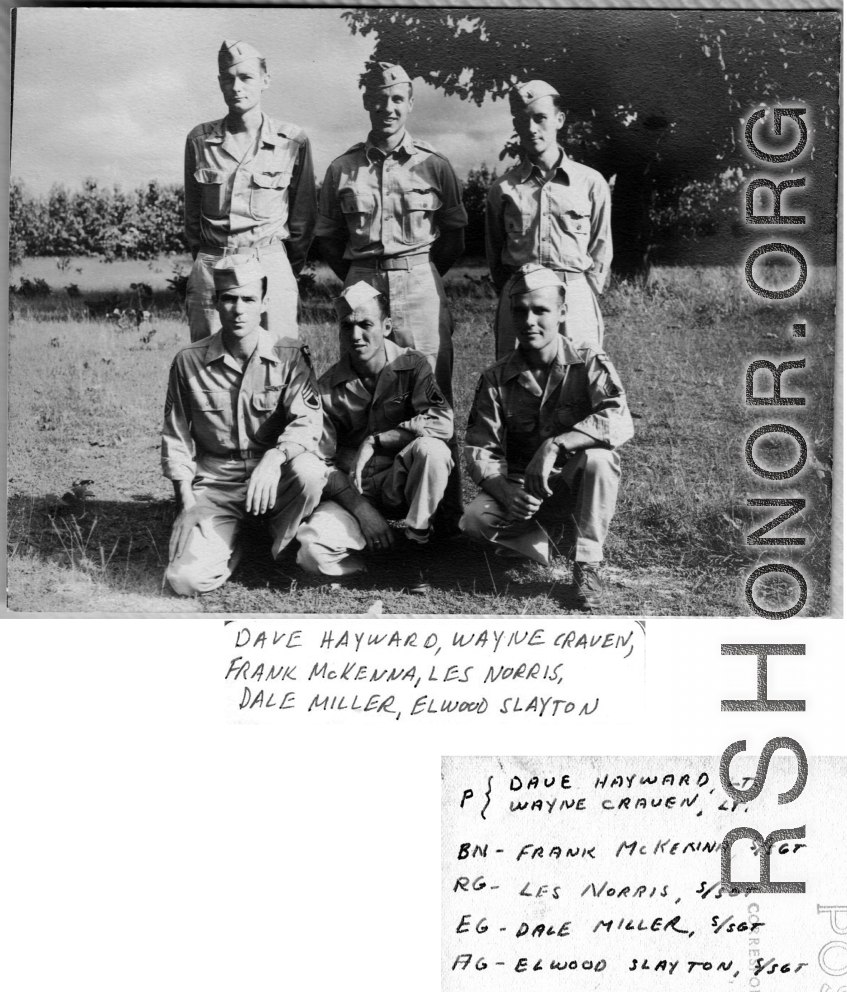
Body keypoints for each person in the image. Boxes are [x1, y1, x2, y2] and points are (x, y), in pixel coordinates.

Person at [315, 61, 467, 531]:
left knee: (431, 394)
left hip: (419, 279)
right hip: (362, 277)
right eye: (378, 98)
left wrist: (418, 275)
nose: (387, 107)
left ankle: (443, 518)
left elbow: (456, 235)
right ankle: (359, 498)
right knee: (360, 387)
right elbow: (326, 236)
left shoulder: (435, 165)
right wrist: (361, 276)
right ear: (366, 101)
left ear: (409, 103)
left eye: (397, 98)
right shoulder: (342, 167)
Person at [460, 265, 633, 610]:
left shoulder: (588, 360)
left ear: (562, 313)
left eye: (541, 310)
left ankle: (587, 565)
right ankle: (553, 543)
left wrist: (555, 445)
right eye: (520, 311)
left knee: (600, 459)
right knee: (474, 520)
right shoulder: (496, 378)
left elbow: (619, 419)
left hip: (571, 485)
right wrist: (505, 492)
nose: (529, 321)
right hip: (524, 492)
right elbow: (481, 449)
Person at [162, 256, 326, 596]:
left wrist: (275, 457)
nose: (238, 309)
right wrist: (186, 502)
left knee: (310, 471)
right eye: (228, 298)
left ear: (264, 303)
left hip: (274, 479)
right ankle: (238, 540)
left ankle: (277, 548)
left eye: (248, 299)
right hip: (217, 484)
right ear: (215, 302)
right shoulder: (189, 361)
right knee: (185, 580)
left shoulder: (289, 355)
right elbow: (176, 438)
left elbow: (308, 422)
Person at [296, 282, 453, 583]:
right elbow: (321, 463)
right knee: (311, 553)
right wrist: (361, 509)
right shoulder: (327, 388)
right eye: (347, 326)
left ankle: (416, 543)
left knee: (433, 450)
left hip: (403, 481)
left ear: (386, 325)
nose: (356, 336)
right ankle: (377, 563)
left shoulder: (413, 365)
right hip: (356, 490)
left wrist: (378, 440)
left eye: (366, 324)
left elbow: (442, 422)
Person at [183, 40, 316, 343]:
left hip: (269, 263)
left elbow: (303, 221)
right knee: (209, 364)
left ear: (265, 81)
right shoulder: (199, 140)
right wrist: (208, 259)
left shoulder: (292, 141)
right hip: (213, 265)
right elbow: (193, 217)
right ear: (219, 83)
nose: (236, 86)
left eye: (246, 77)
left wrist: (280, 267)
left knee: (279, 362)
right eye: (228, 78)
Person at [486, 80, 613, 358]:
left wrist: (581, 292)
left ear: (559, 119)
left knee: (580, 381)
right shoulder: (503, 189)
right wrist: (515, 291)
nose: (531, 128)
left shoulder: (590, 183)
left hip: (574, 298)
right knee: (517, 385)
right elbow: (495, 254)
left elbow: (601, 249)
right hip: (521, 300)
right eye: (522, 120)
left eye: (540, 117)